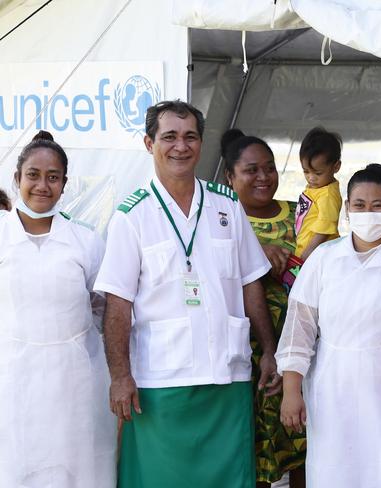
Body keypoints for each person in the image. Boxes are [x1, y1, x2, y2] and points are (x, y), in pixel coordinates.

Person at [94, 100, 279, 488]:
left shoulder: (226, 204)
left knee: (228, 479)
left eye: (190, 136)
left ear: (201, 143)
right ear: (149, 143)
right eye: (170, 137)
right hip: (160, 381)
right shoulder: (133, 216)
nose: (181, 146)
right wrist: (120, 376)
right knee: (159, 479)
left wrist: (268, 351)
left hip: (227, 376)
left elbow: (250, 282)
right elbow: (118, 304)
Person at [0, 131, 116, 487]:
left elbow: (104, 311)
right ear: (17, 178)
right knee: (17, 463)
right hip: (12, 377)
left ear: (65, 184)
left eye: (53, 177)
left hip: (77, 381)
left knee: (78, 467)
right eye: (33, 175)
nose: (42, 185)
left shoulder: (85, 240)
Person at [277, 163, 381, 488]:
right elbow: (299, 328)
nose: (368, 213)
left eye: (378, 206)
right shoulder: (324, 258)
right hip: (331, 385)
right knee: (333, 468)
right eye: (359, 205)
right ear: (347, 209)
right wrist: (291, 390)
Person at [223, 128, 307, 488]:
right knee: (251, 447)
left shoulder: (302, 215)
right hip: (248, 355)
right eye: (251, 170)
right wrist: (254, 248)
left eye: (269, 168)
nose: (263, 177)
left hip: (301, 350)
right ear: (230, 177)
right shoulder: (222, 221)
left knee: (304, 442)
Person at [294, 127, 343, 260]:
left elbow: (324, 230)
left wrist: (306, 255)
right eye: (306, 171)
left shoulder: (327, 195)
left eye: (318, 173)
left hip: (315, 256)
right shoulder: (316, 187)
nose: (311, 178)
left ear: (336, 167)